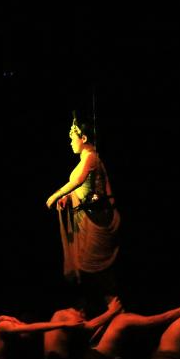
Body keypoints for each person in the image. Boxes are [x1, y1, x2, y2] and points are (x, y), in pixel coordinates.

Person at [44, 112, 120, 306]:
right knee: (85, 269)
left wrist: (55, 196)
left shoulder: (91, 157)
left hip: (99, 218)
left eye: (72, 138)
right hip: (88, 216)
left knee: (93, 267)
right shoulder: (84, 160)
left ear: (83, 138)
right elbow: (83, 188)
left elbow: (78, 181)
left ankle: (113, 305)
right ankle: (95, 307)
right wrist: (68, 198)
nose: (70, 142)